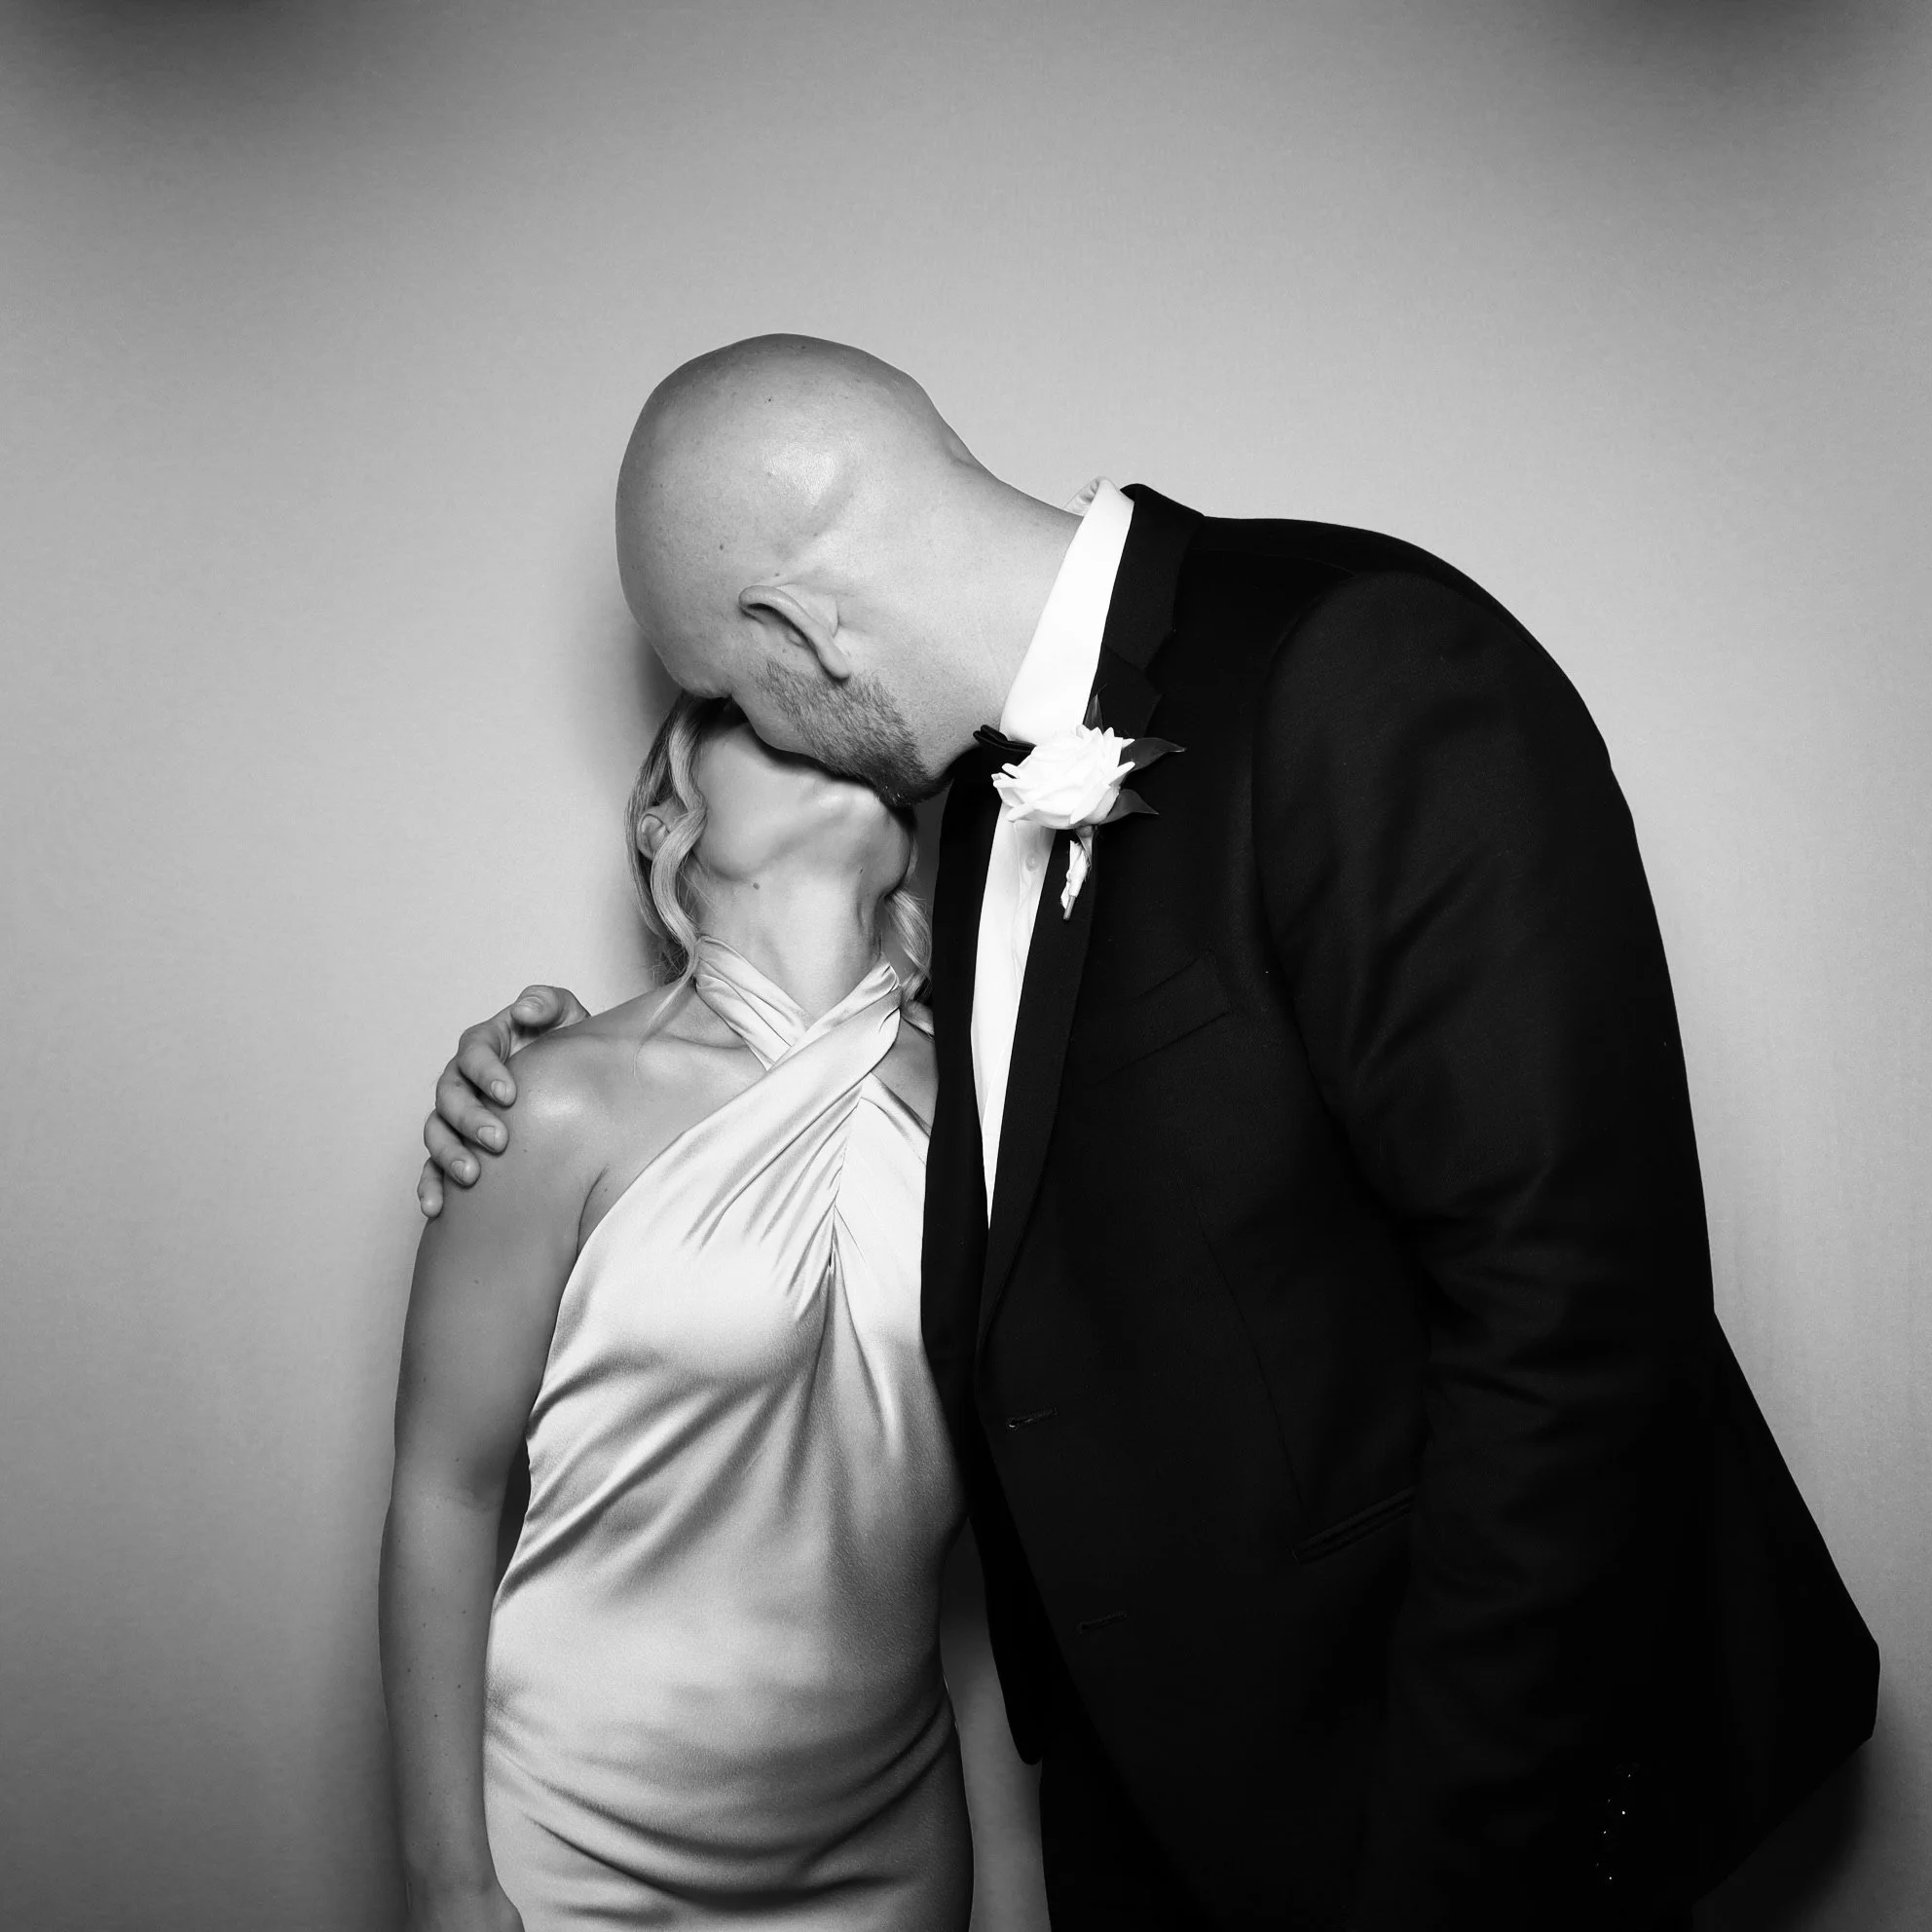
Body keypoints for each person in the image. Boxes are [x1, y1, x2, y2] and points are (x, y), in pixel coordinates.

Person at [419, 336, 1877, 1928]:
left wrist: (1443, 1886)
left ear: (797, 625)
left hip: (1424, 1808)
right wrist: (533, 1075)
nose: (745, 727)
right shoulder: (973, 815)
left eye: (722, 685)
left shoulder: (1356, 665)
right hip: (1150, 1816)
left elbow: (1575, 1325)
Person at [380, 695, 975, 1931]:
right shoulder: (548, 1104)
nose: (817, 712)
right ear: (667, 813)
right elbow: (443, 1495)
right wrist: (447, 1883)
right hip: (577, 1852)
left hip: (893, 1852)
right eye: (757, 705)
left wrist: (1020, 1885)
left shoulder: (992, 1110)